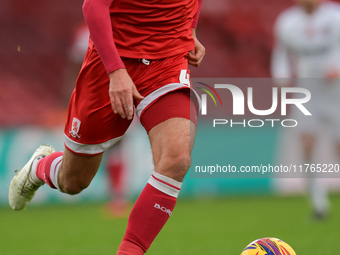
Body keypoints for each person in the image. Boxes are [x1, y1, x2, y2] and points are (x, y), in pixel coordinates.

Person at [9, 0, 205, 254]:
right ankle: (40, 167)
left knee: (177, 159)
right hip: (111, 62)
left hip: (167, 62)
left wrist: (191, 30)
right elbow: (93, 5)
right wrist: (115, 71)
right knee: (74, 180)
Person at [271, 0, 340, 218]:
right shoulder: (287, 22)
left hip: (335, 89)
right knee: (306, 143)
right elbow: (281, 53)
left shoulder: (335, 16)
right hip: (307, 90)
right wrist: (281, 78)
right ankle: (319, 204)